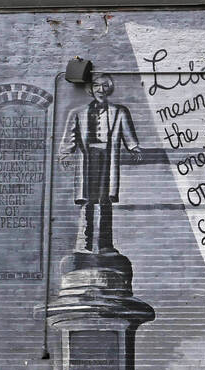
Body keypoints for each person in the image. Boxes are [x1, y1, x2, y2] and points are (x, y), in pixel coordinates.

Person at [58, 74, 141, 253]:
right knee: (87, 201)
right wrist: (65, 153)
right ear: (91, 89)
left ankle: (105, 244)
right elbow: (70, 136)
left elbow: (127, 133)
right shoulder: (78, 113)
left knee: (105, 200)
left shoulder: (119, 111)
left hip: (107, 158)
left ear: (110, 89)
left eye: (105, 86)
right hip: (88, 159)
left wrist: (133, 147)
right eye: (96, 86)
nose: (101, 90)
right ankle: (85, 243)